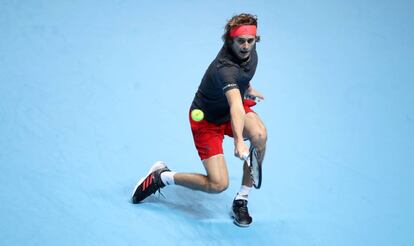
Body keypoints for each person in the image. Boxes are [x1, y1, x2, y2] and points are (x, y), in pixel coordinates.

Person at [132, 13, 267, 227]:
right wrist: (239, 141)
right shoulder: (224, 69)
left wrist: (248, 89)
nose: (246, 46)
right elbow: (235, 106)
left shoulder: (249, 52)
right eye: (241, 41)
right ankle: (162, 177)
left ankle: (241, 199)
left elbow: (242, 81)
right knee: (217, 184)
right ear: (230, 40)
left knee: (260, 136)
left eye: (251, 40)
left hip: (231, 107)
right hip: (207, 121)